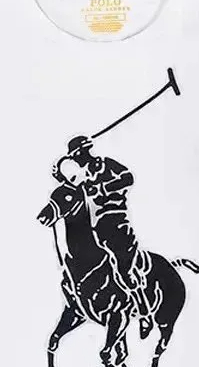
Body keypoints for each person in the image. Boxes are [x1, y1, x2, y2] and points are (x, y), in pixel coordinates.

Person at [54, 135, 153, 338]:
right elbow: (76, 193)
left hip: (117, 226)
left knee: (123, 272)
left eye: (76, 156)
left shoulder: (106, 165)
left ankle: (144, 313)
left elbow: (128, 178)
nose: (76, 160)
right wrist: (60, 178)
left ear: (84, 152)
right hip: (96, 230)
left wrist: (102, 188)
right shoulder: (85, 176)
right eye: (74, 158)